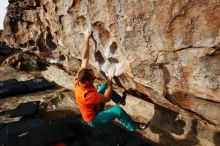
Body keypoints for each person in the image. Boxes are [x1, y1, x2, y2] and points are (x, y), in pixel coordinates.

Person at [74, 31, 147, 132]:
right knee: (117, 111)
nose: (94, 79)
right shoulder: (87, 96)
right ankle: (134, 127)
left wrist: (87, 38)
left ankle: (120, 101)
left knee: (104, 86)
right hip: (93, 119)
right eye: (93, 79)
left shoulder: (79, 79)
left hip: (94, 106)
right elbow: (107, 98)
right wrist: (109, 79)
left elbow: (84, 58)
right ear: (86, 82)